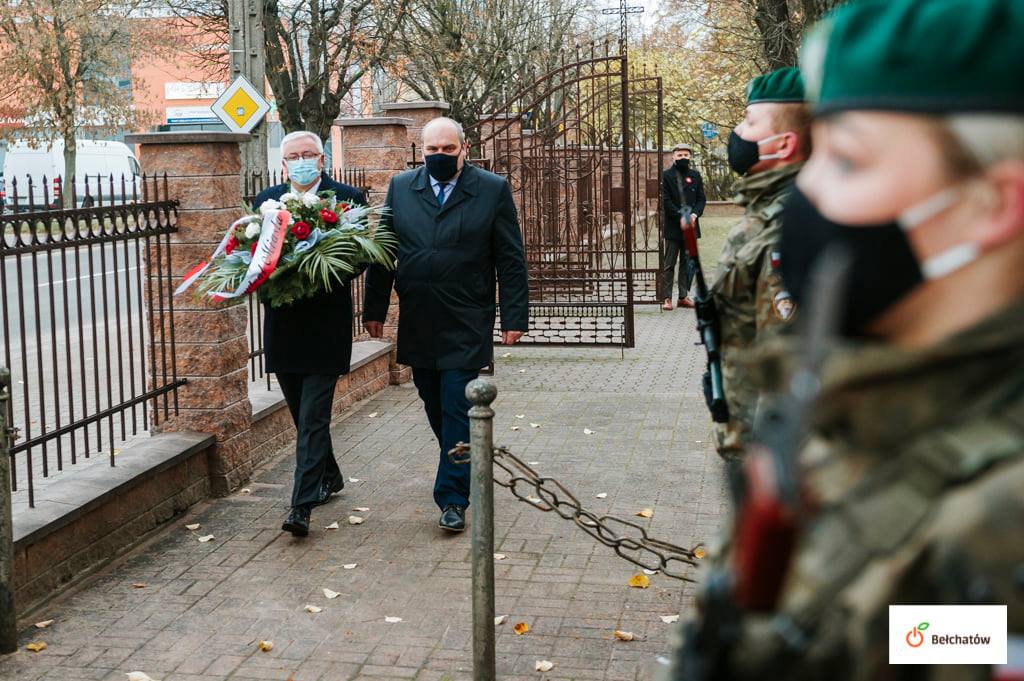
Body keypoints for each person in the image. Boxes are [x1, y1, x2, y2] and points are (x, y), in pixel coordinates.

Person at [667, 0, 1024, 678]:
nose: (812, 192)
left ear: (996, 202)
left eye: (850, 162)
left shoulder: (1003, 513)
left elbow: (942, 637)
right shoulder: (863, 401)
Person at [363, 117, 529, 532]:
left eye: (447, 150)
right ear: (421, 151)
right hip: (419, 317)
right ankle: (465, 457)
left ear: (464, 148)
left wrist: (514, 316)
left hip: (466, 317)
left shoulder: (491, 189)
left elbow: (510, 259)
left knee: (456, 402)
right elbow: (384, 251)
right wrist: (374, 309)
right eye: (432, 150)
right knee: (432, 400)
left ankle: (453, 498)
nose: (439, 156)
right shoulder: (403, 188)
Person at [252, 130, 366, 537]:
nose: (301, 161)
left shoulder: (348, 199)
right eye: (293, 156)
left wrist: (318, 267)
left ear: (322, 159)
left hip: (325, 325)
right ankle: (330, 476)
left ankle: (301, 505)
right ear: (284, 164)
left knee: (314, 417)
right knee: (304, 416)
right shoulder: (265, 203)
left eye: (309, 154)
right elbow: (253, 258)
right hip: (283, 325)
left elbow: (358, 260)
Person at [712, 66, 809, 459]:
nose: (738, 132)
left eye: (750, 121)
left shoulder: (789, 225)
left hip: (770, 451)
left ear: (783, 144)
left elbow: (781, 367)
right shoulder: (765, 212)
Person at [661, 143, 706, 310]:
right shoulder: (666, 176)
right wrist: (682, 216)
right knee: (669, 264)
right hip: (673, 226)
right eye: (679, 155)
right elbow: (665, 201)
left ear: (690, 157)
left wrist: (693, 215)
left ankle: (683, 296)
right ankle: (666, 298)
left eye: (686, 155)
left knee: (687, 263)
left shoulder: (696, 175)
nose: (683, 158)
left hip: (691, 226)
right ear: (673, 157)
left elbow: (701, 199)